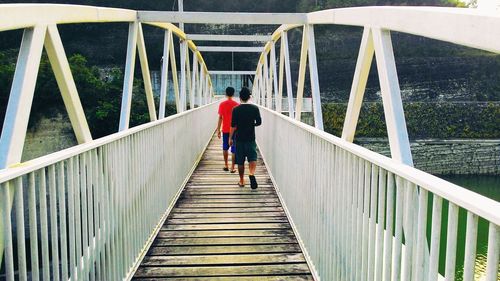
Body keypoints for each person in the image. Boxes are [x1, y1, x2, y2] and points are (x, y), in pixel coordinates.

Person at [229, 87, 262, 189]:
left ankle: (242, 181)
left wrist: (230, 138)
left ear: (240, 98)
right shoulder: (255, 108)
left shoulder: (235, 110)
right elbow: (259, 122)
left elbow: (233, 126)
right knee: (252, 157)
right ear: (249, 97)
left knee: (240, 161)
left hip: (239, 139)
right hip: (250, 138)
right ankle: (251, 173)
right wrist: (252, 124)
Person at [217, 87, 239, 172]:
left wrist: (218, 130)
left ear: (225, 94)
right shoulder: (237, 105)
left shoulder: (222, 104)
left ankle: (226, 165)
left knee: (225, 147)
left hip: (225, 129)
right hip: (235, 130)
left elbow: (220, 118)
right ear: (233, 94)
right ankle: (232, 167)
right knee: (234, 149)